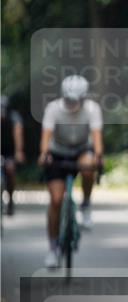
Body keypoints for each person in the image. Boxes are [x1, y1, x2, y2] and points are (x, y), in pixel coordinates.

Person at [39, 75, 103, 267]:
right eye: (69, 99)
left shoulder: (92, 109)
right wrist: (44, 154)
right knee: (56, 200)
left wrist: (99, 156)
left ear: (84, 98)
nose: (72, 104)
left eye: (76, 100)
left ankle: (86, 204)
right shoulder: (53, 109)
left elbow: (97, 137)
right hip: (58, 151)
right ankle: (52, 248)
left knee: (89, 164)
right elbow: (46, 137)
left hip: (81, 149)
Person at [1, 95, 25, 216]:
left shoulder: (13, 117)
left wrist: (18, 152)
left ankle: (10, 200)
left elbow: (18, 133)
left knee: (10, 169)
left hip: (10, 150)